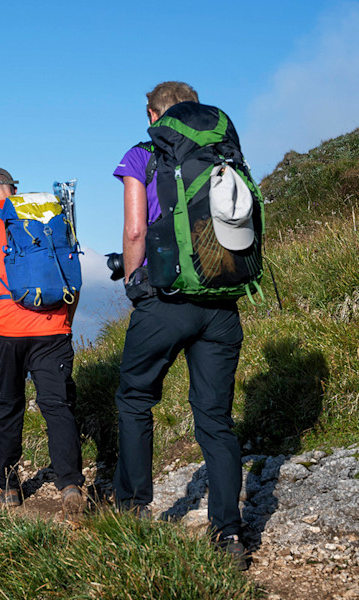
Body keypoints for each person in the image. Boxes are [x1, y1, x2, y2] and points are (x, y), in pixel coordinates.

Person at [111, 81, 248, 568]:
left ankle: (131, 508)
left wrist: (134, 283)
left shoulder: (142, 155)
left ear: (153, 114)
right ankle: (228, 535)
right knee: (215, 419)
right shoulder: (222, 152)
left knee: (134, 398)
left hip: (165, 300)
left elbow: (134, 230)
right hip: (221, 300)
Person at [0, 168, 84, 517]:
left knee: (7, 406)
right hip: (54, 326)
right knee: (58, 407)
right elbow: (72, 272)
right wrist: (65, 324)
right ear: (13, 190)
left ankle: (8, 485)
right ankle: (71, 484)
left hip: (6, 329)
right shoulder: (52, 214)